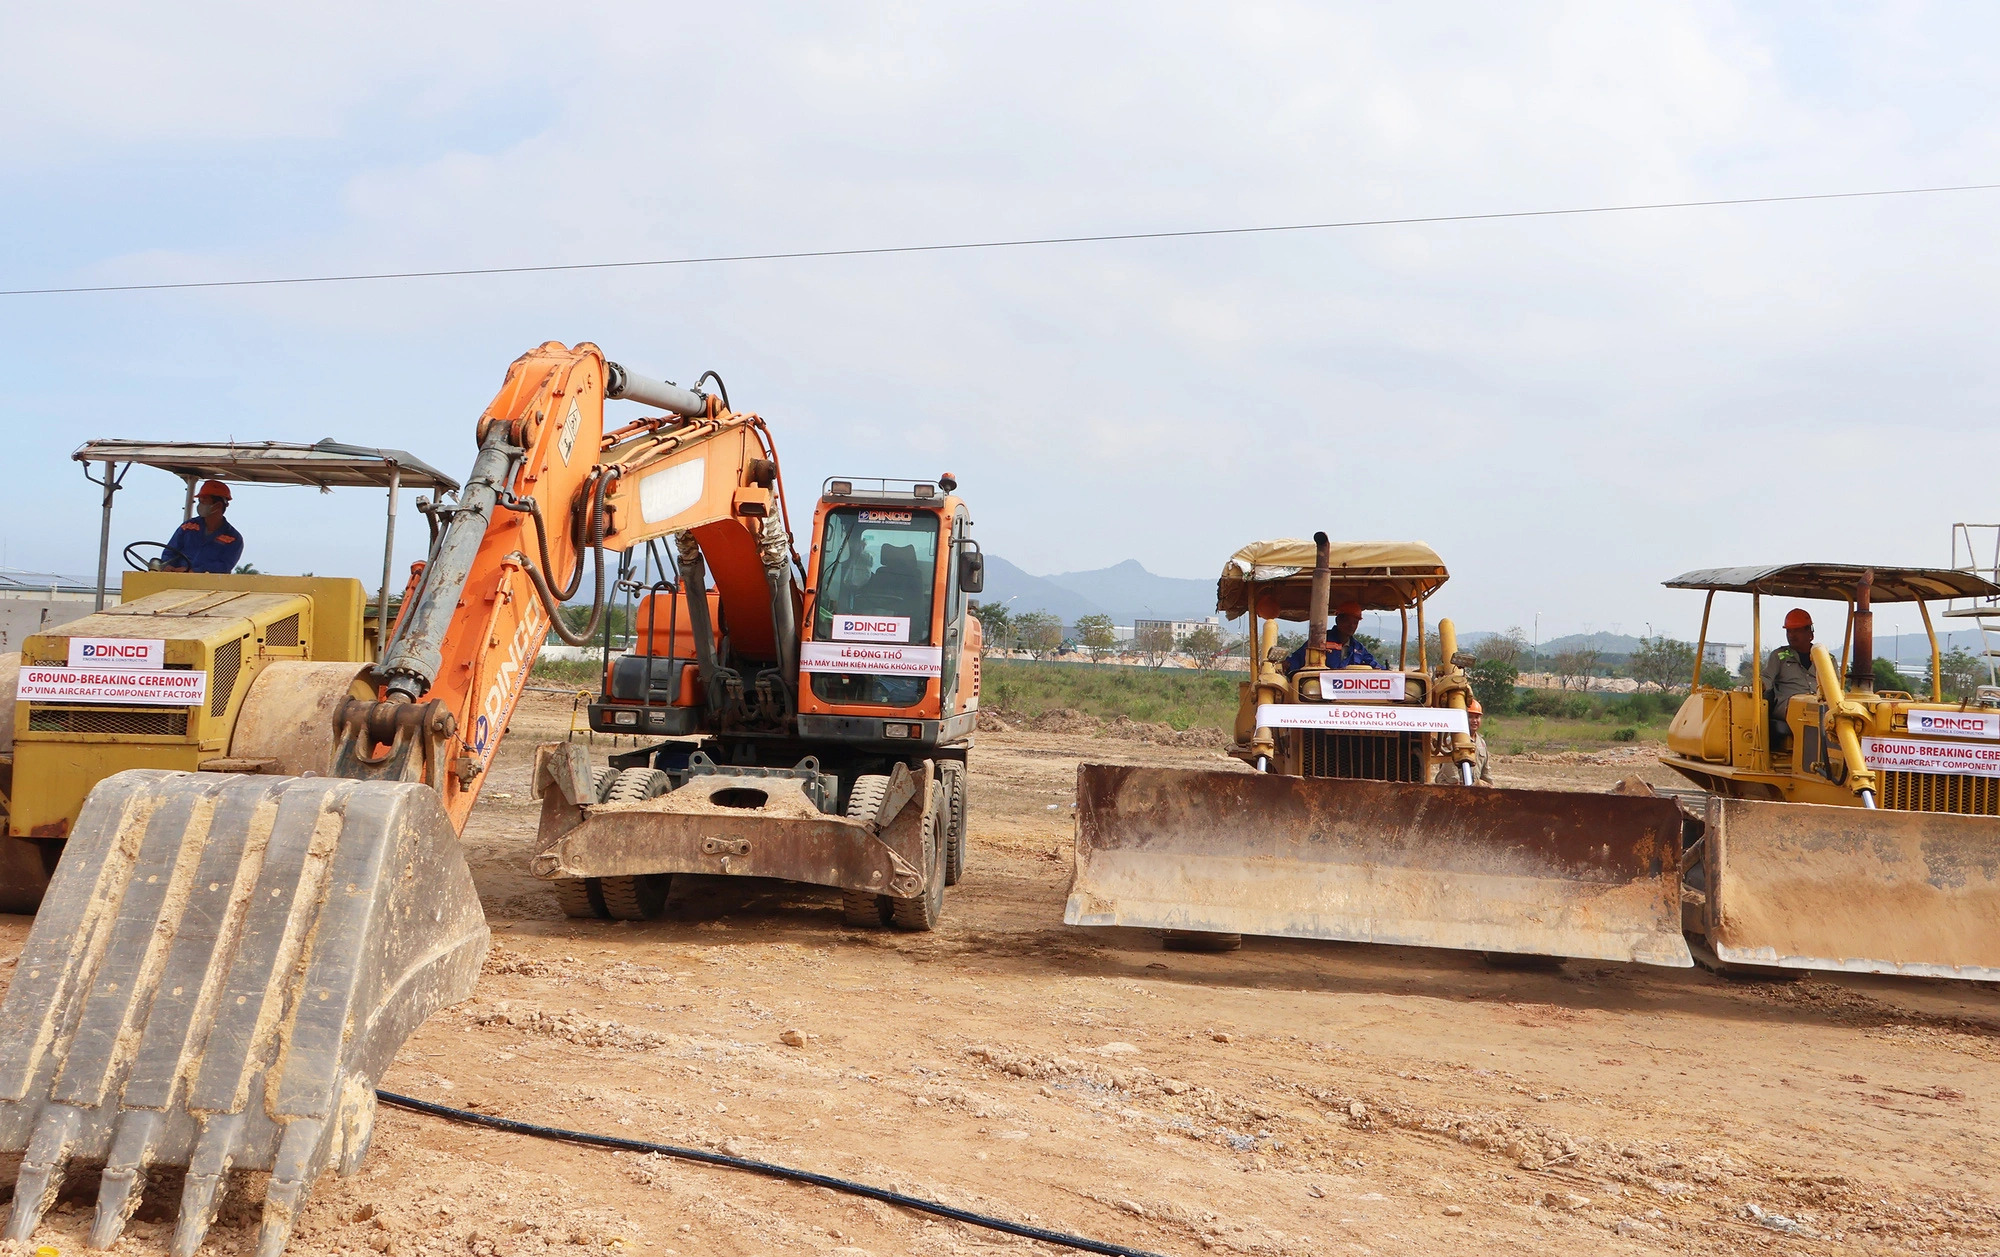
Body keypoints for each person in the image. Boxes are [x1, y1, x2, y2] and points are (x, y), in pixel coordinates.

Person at [1763, 607, 1818, 752]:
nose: (1791, 635)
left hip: (1818, 704)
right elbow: (1766, 679)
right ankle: (1809, 753)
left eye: (1797, 631)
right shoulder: (1779, 656)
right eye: (1789, 631)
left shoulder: (1825, 658)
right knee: (1807, 712)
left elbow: (1834, 685)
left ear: (1809, 632)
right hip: (1788, 706)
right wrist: (1760, 686)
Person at [162, 480, 245, 574]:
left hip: (208, 585)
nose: (200, 505)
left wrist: (195, 571)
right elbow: (170, 551)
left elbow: (224, 565)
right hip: (177, 579)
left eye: (204, 501)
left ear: (218, 506)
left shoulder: (233, 539)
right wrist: (168, 565)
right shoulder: (187, 527)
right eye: (200, 501)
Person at [1283, 600, 1378, 673]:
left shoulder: (1358, 648)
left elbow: (1374, 665)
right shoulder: (1320, 641)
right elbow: (1298, 659)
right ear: (1338, 621)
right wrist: (1287, 665)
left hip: (1349, 692)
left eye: (1355, 622)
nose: (1351, 626)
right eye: (1348, 621)